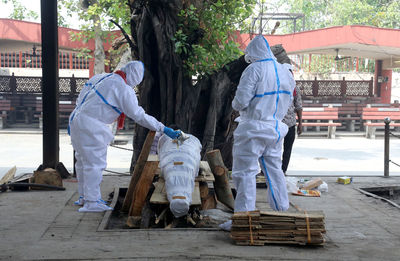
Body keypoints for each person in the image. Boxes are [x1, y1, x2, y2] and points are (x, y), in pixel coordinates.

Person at [69, 61, 181, 212]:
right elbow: (139, 115)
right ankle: (92, 201)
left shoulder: (102, 77)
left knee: (82, 161)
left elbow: (82, 98)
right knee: (94, 163)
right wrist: (162, 128)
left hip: (77, 119)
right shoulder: (123, 89)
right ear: (135, 78)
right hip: (92, 125)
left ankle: (84, 196)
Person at [220, 35, 295, 230]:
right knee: (274, 171)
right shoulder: (285, 71)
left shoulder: (254, 70)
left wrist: (237, 105)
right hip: (276, 129)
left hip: (253, 129)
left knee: (245, 173)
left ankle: (244, 219)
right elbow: (288, 99)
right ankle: (281, 213)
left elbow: (240, 102)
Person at [282, 84, 303, 175]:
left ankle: (283, 170)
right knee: (271, 150)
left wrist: (300, 124)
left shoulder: (294, 88)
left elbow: (298, 106)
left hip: (289, 123)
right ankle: (270, 171)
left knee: (287, 149)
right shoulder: (275, 84)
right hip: (276, 123)